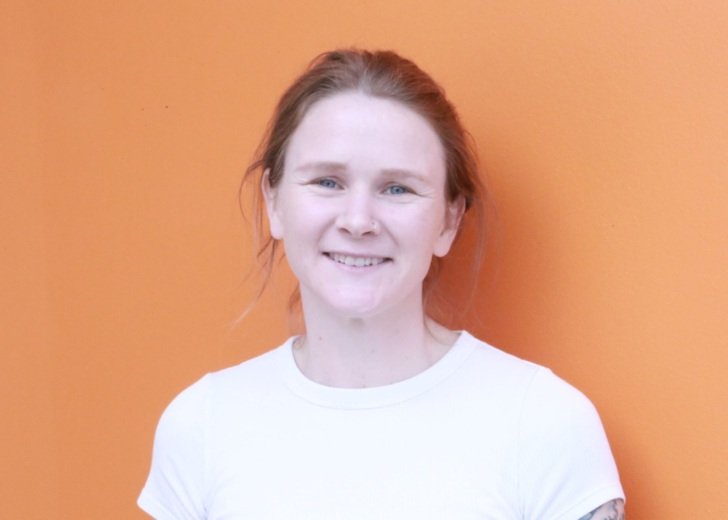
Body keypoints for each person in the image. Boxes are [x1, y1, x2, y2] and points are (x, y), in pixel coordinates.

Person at [138, 49, 625, 519]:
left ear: (448, 221)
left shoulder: (544, 423)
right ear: (274, 201)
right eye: (327, 182)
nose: (358, 220)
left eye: (397, 188)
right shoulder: (202, 425)